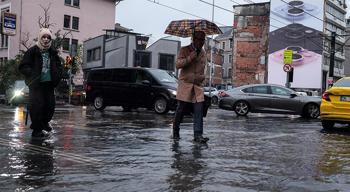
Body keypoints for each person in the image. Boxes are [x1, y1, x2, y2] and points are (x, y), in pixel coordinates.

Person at [19, 28, 63, 138]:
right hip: (36, 85)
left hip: (49, 84)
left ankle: (44, 123)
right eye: (44, 37)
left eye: (48, 37)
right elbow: (23, 66)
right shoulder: (33, 51)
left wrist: (57, 75)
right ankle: (37, 130)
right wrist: (32, 73)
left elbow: (59, 66)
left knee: (49, 106)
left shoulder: (52, 52)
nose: (46, 39)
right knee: (37, 107)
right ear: (40, 37)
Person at [172, 30, 209, 143]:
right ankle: (175, 131)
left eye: (203, 40)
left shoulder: (203, 52)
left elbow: (204, 68)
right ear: (193, 39)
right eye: (198, 39)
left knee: (199, 109)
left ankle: (198, 135)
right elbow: (178, 64)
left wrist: (203, 78)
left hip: (197, 86)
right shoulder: (185, 49)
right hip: (186, 84)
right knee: (181, 109)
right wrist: (190, 58)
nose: (201, 42)